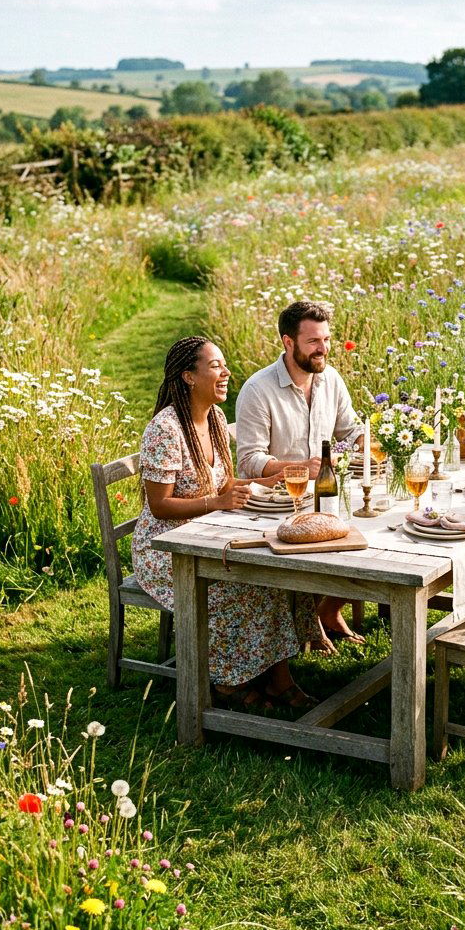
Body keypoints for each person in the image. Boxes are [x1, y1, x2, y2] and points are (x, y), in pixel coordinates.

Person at [132, 336, 327, 710]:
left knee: (271, 575)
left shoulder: (217, 418)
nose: (226, 373)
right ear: (189, 376)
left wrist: (267, 483)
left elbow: (222, 482)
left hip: (208, 532)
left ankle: (276, 678)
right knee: (238, 586)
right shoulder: (166, 429)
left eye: (224, 365)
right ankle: (227, 681)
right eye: (216, 366)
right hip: (165, 548)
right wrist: (217, 502)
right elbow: (159, 506)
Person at [235, 300, 365, 643]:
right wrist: (297, 469)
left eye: (326, 339)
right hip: (275, 506)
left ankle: (327, 609)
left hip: (323, 495)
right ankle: (303, 624)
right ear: (287, 342)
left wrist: (369, 440)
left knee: (371, 529)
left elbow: (349, 430)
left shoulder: (330, 379)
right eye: (313, 342)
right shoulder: (258, 390)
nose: (323, 349)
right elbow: (249, 461)